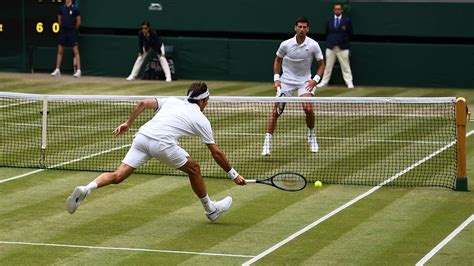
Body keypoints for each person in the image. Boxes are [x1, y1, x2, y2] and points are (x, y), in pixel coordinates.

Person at [66, 82, 246, 221]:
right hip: (161, 144)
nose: (207, 103)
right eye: (207, 100)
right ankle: (211, 210)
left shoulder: (172, 102)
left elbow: (143, 103)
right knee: (194, 169)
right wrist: (233, 174)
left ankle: (87, 188)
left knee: (118, 175)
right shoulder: (201, 119)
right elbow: (216, 153)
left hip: (142, 137)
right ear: (203, 100)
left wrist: (127, 123)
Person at [261, 16, 325, 156]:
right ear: (295, 28)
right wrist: (277, 79)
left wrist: (315, 80)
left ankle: (311, 135)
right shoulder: (285, 44)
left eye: (304, 27)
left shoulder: (313, 45)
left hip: (305, 81)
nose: (302, 29)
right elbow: (277, 60)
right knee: (276, 111)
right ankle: (267, 142)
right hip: (286, 81)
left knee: (308, 108)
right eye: (299, 27)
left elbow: (322, 64)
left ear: (307, 29)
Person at [317, 3, 354, 89]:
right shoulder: (329, 20)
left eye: (339, 9)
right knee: (328, 66)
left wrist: (343, 42)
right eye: (336, 9)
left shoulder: (347, 20)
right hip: (331, 47)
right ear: (334, 10)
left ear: (341, 10)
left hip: (343, 47)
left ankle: (349, 83)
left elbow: (350, 33)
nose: (337, 10)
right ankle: (324, 82)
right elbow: (326, 32)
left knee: (345, 66)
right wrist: (331, 41)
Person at [50, 0, 82, 78]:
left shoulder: (75, 9)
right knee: (60, 50)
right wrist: (64, 27)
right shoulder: (61, 8)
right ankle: (57, 69)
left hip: (72, 32)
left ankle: (78, 70)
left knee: (75, 51)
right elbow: (59, 19)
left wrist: (74, 29)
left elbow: (78, 21)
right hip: (63, 31)